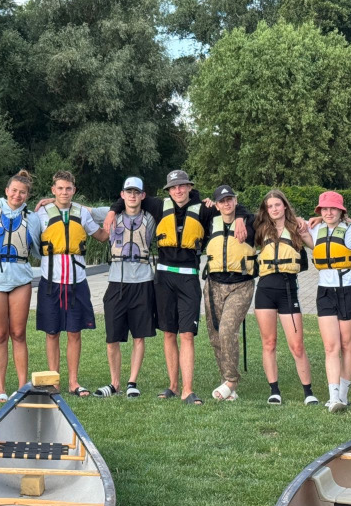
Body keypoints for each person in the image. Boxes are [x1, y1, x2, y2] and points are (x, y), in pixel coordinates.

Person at [103, 169, 248, 405]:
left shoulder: (203, 208)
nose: (178, 190)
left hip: (188, 278)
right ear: (168, 190)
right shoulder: (159, 206)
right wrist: (112, 211)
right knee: (169, 333)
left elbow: (230, 206)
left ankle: (187, 390)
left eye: (182, 186)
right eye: (174, 187)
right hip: (163, 278)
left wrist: (240, 216)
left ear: (190, 188)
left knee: (187, 335)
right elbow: (128, 197)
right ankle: (172, 385)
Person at [34, 170, 109, 397]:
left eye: (68, 188)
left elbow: (103, 236)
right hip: (50, 281)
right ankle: (53, 381)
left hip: (77, 281)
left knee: (75, 332)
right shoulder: (41, 214)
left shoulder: (82, 214)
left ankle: (74, 382)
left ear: (74, 191)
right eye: (60, 188)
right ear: (53, 189)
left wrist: (113, 216)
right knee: (52, 331)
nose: (64, 192)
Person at [0, 170, 44, 401]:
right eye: (14, 190)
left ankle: (23, 386)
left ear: (27, 195)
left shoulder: (32, 218)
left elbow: (38, 250)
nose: (17, 195)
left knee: (19, 333)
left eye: (22, 192)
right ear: (6, 191)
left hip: (21, 277)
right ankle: (1, 389)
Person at [93, 177, 157, 398]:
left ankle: (132, 382)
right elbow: (82, 210)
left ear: (142, 195)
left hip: (143, 282)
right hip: (116, 283)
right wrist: (50, 201)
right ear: (122, 195)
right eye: (128, 191)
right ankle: (114, 383)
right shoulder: (112, 214)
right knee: (112, 338)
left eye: (136, 192)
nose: (132, 195)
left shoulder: (150, 218)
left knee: (139, 336)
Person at [254, 189, 317, 405]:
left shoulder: (297, 227)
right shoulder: (260, 229)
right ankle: (274, 390)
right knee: (269, 343)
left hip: (288, 290)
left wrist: (306, 226)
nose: (273, 209)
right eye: (270, 206)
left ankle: (308, 392)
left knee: (297, 345)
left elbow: (315, 246)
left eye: (277, 205)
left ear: (285, 206)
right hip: (265, 291)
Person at [203, 185, 258, 401]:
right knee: (215, 335)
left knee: (227, 330)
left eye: (230, 199)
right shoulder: (210, 219)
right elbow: (189, 200)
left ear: (236, 201)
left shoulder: (250, 221)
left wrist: (241, 217)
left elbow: (272, 215)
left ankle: (231, 380)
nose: (226, 204)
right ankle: (228, 384)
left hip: (241, 284)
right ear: (216, 205)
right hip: (213, 284)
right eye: (222, 201)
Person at [310, 191, 351, 413]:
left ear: (342, 211)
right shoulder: (314, 229)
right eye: (324, 209)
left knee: (346, 344)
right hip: (325, 291)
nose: (328, 212)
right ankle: (333, 397)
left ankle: (344, 394)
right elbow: (290, 220)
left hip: (350, 289)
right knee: (330, 346)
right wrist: (317, 221)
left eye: (333, 208)